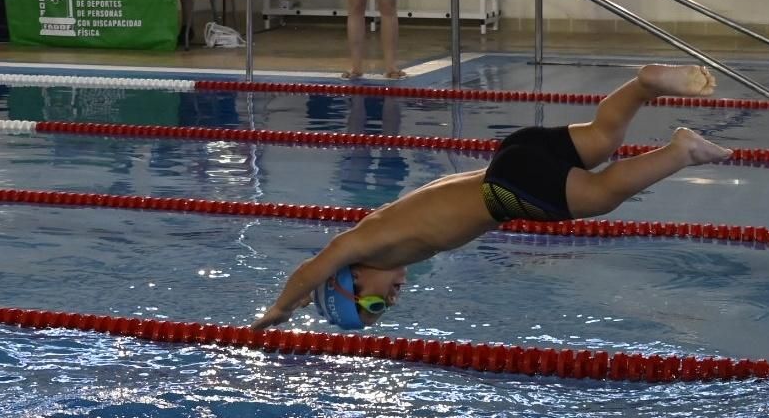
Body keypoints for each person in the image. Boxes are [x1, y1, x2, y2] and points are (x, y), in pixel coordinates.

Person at [250, 65, 731, 330]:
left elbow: (314, 266)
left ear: (351, 280)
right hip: (511, 158)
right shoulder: (387, 232)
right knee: (604, 137)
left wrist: (279, 310)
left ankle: (680, 151)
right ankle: (645, 85)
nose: (389, 303)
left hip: (506, 190)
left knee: (602, 195)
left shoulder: (366, 244)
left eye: (373, 306)